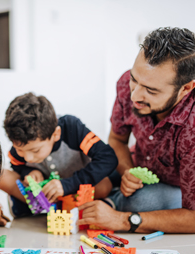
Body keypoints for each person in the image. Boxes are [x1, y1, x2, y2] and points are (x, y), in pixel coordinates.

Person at [78, 27, 195, 234]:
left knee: (141, 202)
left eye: (151, 90)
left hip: (180, 188)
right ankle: (111, 199)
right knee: (87, 166)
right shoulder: (126, 84)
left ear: (186, 88)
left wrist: (122, 220)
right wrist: (128, 172)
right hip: (138, 163)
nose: (134, 96)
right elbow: (117, 140)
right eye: (135, 80)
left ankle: (112, 204)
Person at [0, 92, 118, 216]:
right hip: (46, 192)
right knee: (1, 176)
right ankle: (42, 206)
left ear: (56, 134)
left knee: (104, 185)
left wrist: (69, 184)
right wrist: (28, 172)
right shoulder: (20, 140)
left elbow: (108, 158)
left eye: (35, 151)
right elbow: (17, 165)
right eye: (20, 149)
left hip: (76, 188)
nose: (28, 157)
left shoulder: (72, 128)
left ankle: (58, 207)